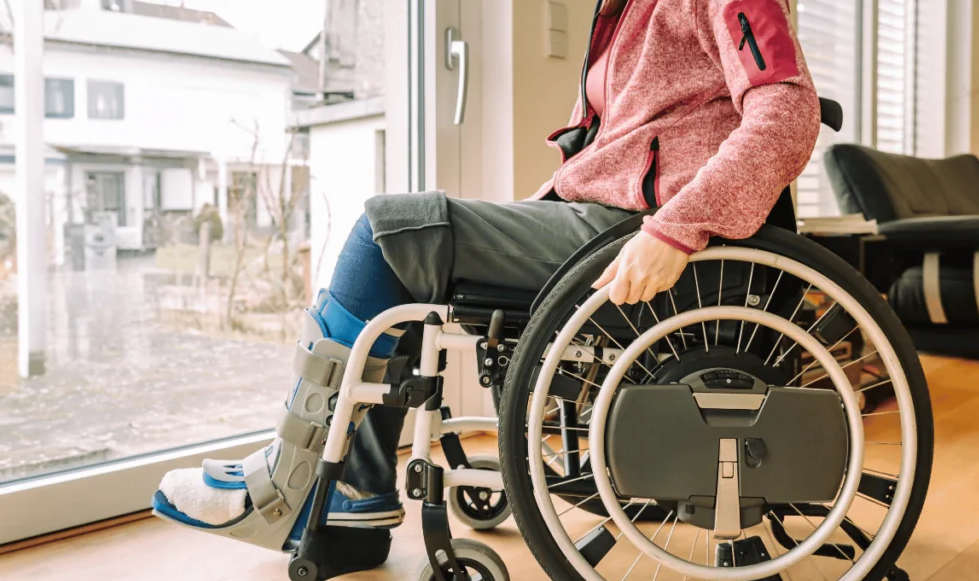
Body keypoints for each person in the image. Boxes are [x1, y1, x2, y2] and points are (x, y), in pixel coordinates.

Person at [153, 0, 821, 549]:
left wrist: (678, 227)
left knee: (388, 230)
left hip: (637, 230)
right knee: (407, 250)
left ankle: (293, 482)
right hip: (610, 216)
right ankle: (349, 498)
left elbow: (787, 112)